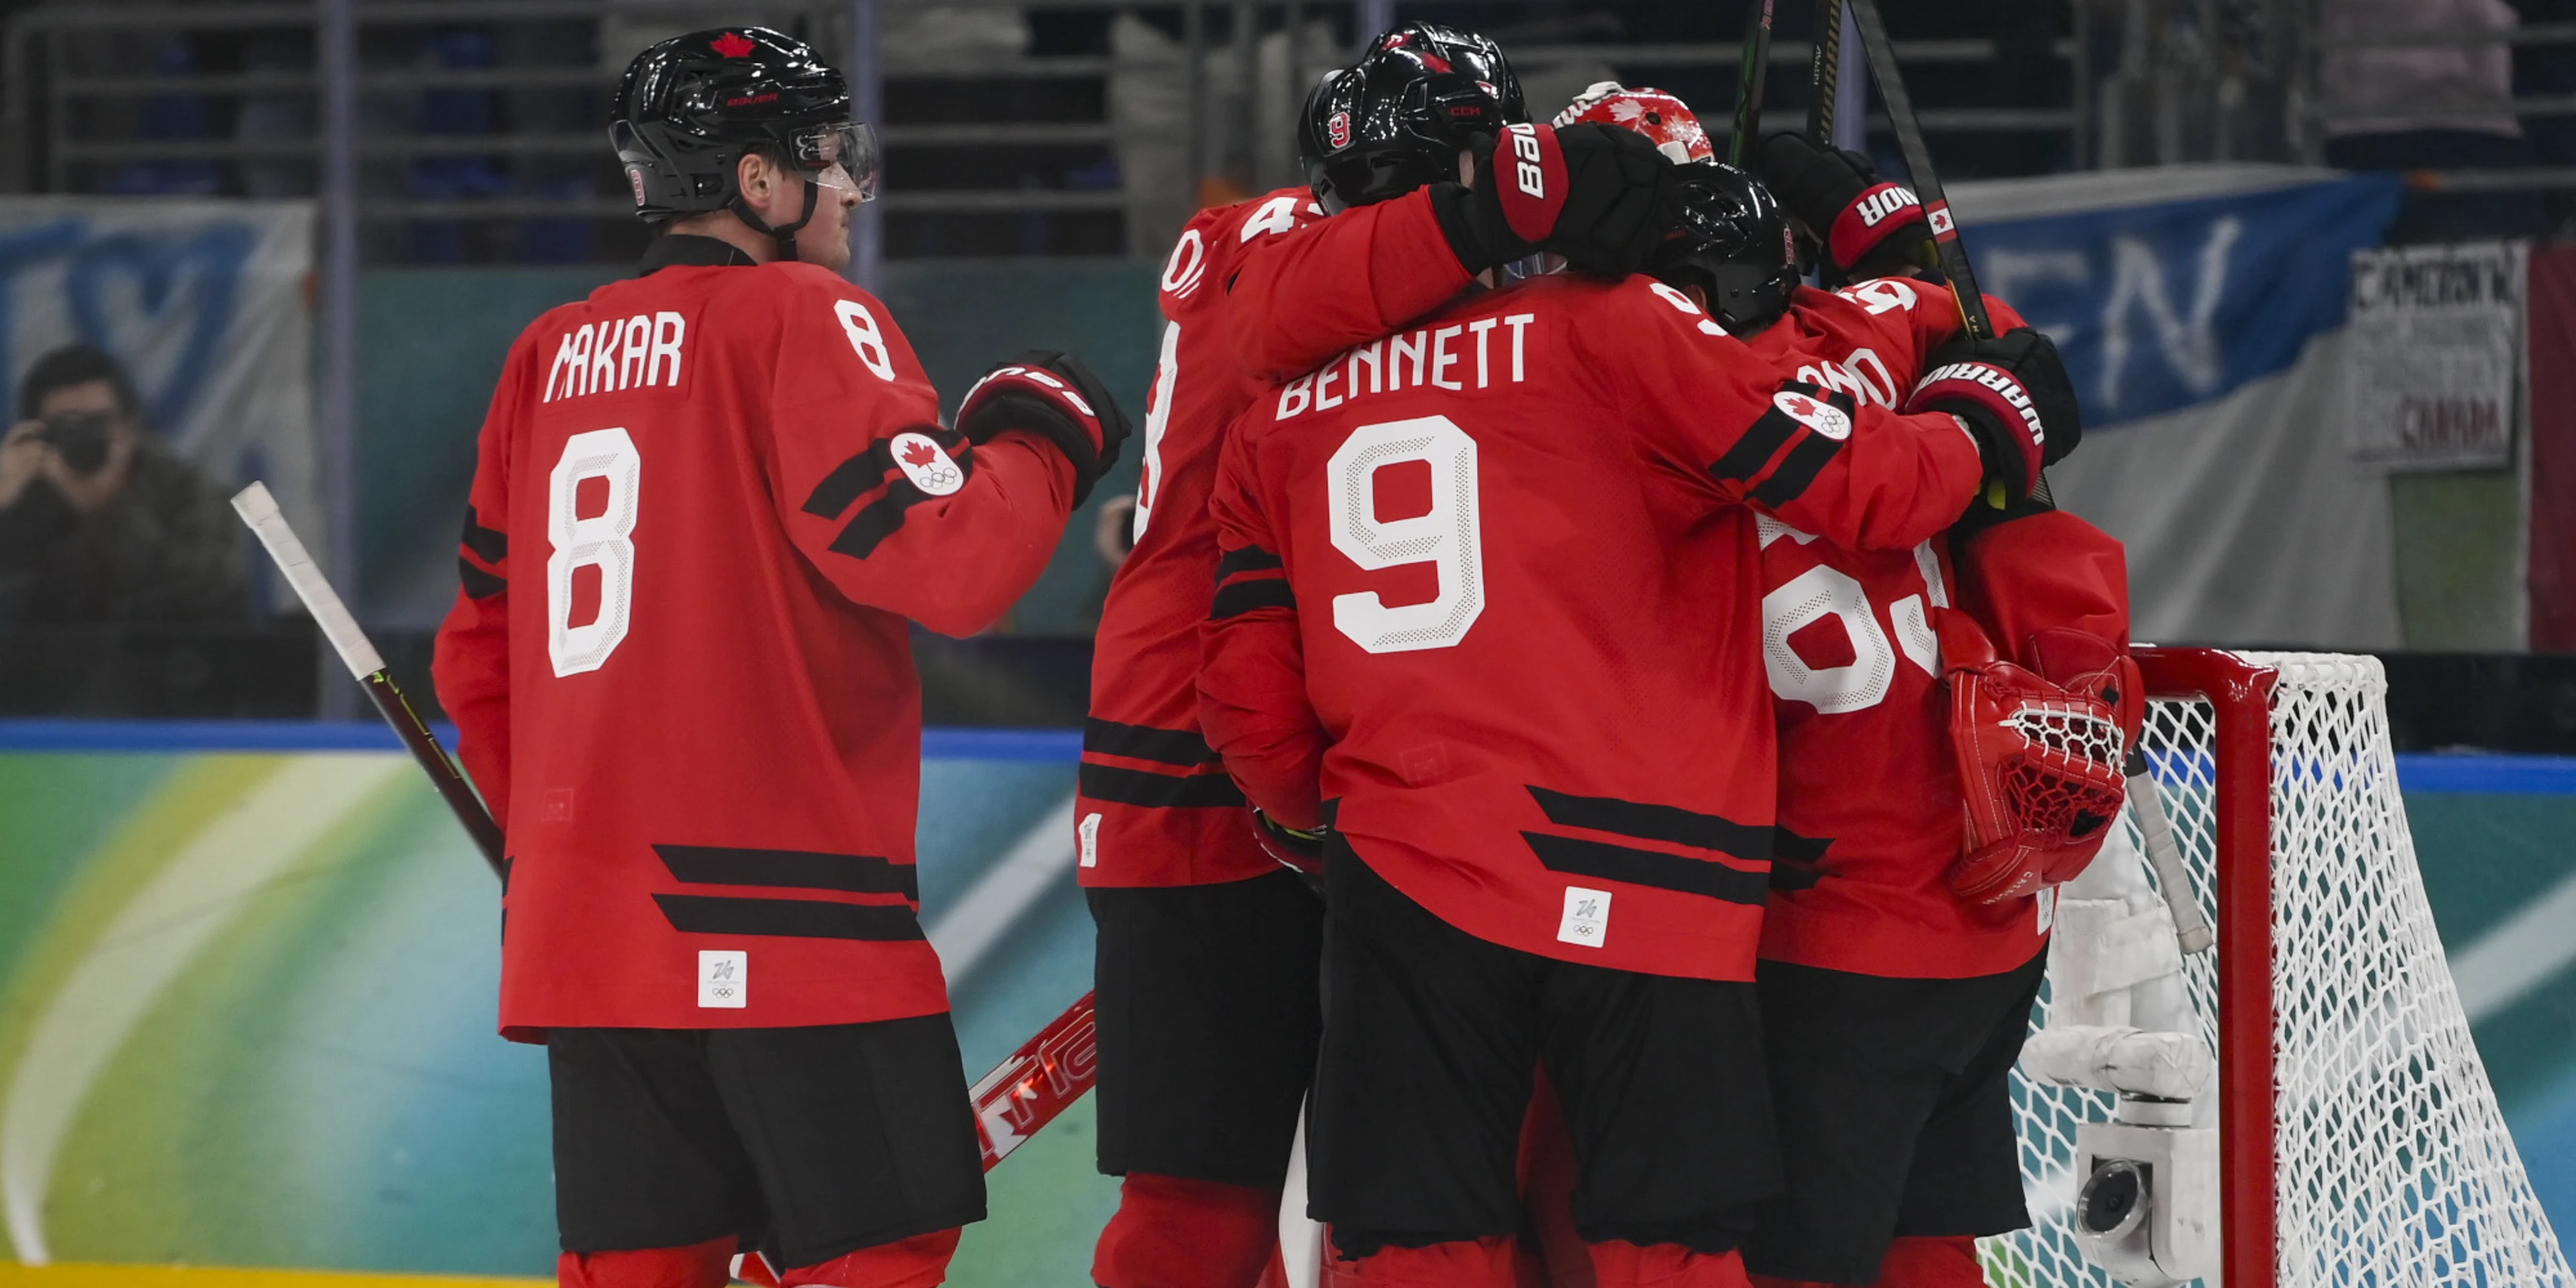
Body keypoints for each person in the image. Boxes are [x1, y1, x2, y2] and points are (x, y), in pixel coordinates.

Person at [1196, 86, 2072, 1288]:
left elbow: (1245, 705)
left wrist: (1322, 827)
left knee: (1414, 1238)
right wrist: (1983, 399)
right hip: (1686, 873)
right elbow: (1877, 485)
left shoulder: (1271, 408)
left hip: (1412, 867)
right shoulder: (1620, 334)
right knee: (1677, 1245)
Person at [431, 28, 1128, 1288]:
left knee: (643, 1272)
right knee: (876, 1253)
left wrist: (552, 847)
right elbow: (949, 566)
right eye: (828, 156)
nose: (853, 186)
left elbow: (478, 658)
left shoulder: (545, 360)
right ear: (756, 182)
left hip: (586, 941)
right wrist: (1043, 438)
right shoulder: (804, 315)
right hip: (790, 922)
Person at [0, 343, 248, 625]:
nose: (85, 438)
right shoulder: (26, 489)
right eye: (66, 427)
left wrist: (108, 512)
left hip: (159, 662)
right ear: (37, 434)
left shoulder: (185, 490)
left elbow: (207, 600)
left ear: (130, 429)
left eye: (99, 423)